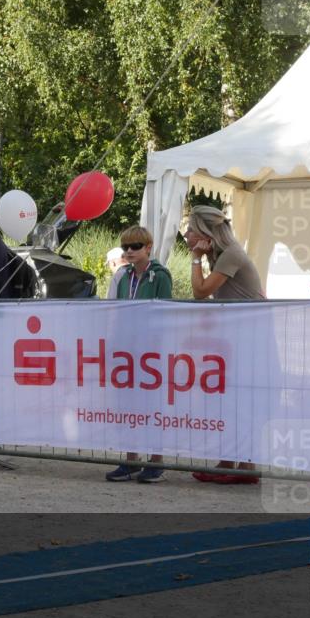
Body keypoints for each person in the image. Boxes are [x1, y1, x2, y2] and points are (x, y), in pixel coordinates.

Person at [184, 204, 264, 484]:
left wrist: (195, 258)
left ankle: (243, 465)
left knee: (241, 399)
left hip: (252, 337)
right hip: (243, 335)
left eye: (191, 230)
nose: (187, 235)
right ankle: (234, 462)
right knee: (233, 400)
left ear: (205, 231)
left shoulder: (230, 254)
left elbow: (200, 292)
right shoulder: (223, 254)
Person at [103, 227, 172, 483]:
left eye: (136, 246)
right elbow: (116, 312)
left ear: (148, 247)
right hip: (126, 351)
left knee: (151, 407)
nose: (130, 251)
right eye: (126, 247)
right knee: (127, 407)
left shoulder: (160, 276)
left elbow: (164, 314)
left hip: (150, 353)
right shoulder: (123, 276)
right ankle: (130, 460)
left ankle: (156, 461)